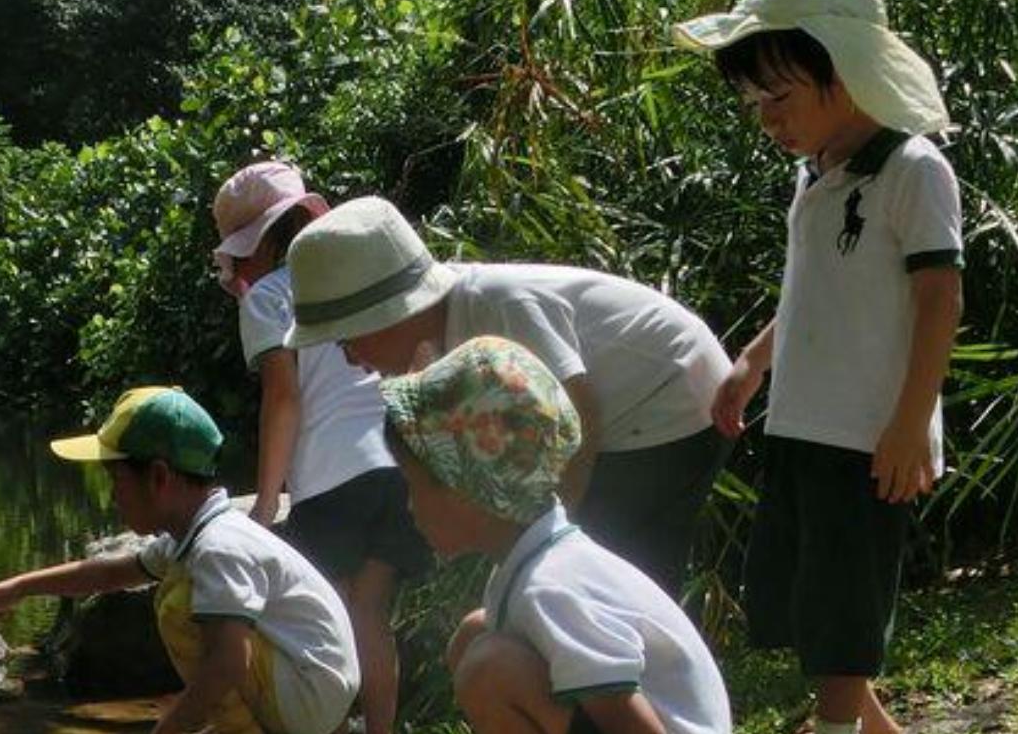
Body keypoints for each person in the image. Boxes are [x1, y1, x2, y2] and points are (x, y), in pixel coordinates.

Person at [674, 0, 966, 734]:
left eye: (781, 100)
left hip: (869, 427)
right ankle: (861, 717)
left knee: (845, 587)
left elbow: (940, 296)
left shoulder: (911, 169)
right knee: (802, 581)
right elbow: (811, 295)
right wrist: (755, 360)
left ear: (842, 74)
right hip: (808, 418)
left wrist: (911, 423)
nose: (767, 120)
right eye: (755, 105)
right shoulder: (817, 175)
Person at [385, 336, 733, 734]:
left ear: (471, 488)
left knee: (488, 666)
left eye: (416, 488)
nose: (409, 509)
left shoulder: (552, 585)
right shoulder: (531, 562)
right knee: (476, 636)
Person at [283, 196, 733, 599]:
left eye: (347, 341)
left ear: (386, 318)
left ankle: (633, 677)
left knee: (616, 569)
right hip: (622, 412)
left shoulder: (496, 305)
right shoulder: (440, 344)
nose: (350, 359)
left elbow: (576, 421)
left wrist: (541, 549)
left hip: (670, 393)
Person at [0, 386, 360, 734]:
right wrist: (18, 587)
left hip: (310, 695)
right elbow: (110, 575)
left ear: (160, 477)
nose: (112, 495)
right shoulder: (199, 532)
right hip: (314, 689)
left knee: (176, 604)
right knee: (184, 594)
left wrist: (163, 733)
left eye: (116, 479)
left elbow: (230, 659)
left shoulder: (218, 547)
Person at [209, 161, 432, 734]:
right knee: (371, 614)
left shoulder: (267, 299)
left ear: (251, 250)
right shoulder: (348, 276)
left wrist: (263, 503)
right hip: (400, 465)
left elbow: (284, 398)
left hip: (331, 479)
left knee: (328, 622)